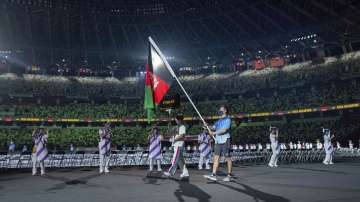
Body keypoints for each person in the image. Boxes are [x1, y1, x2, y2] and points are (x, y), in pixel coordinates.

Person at [204, 105, 232, 182]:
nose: (219, 111)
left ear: (225, 110)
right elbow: (213, 127)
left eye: (221, 110)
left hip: (225, 140)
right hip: (218, 141)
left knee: (227, 158)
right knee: (216, 158)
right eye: (219, 110)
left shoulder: (228, 119)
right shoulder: (219, 120)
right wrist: (207, 126)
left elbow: (224, 130)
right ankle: (213, 175)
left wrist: (214, 133)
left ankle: (229, 175)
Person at [163, 114, 189, 179]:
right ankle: (185, 173)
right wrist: (169, 124)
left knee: (174, 159)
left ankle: (170, 172)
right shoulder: (177, 127)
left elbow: (182, 135)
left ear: (179, 120)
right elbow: (170, 131)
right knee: (180, 160)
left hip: (179, 145)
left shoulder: (182, 127)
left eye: (176, 119)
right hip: (176, 145)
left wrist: (174, 139)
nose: (175, 120)